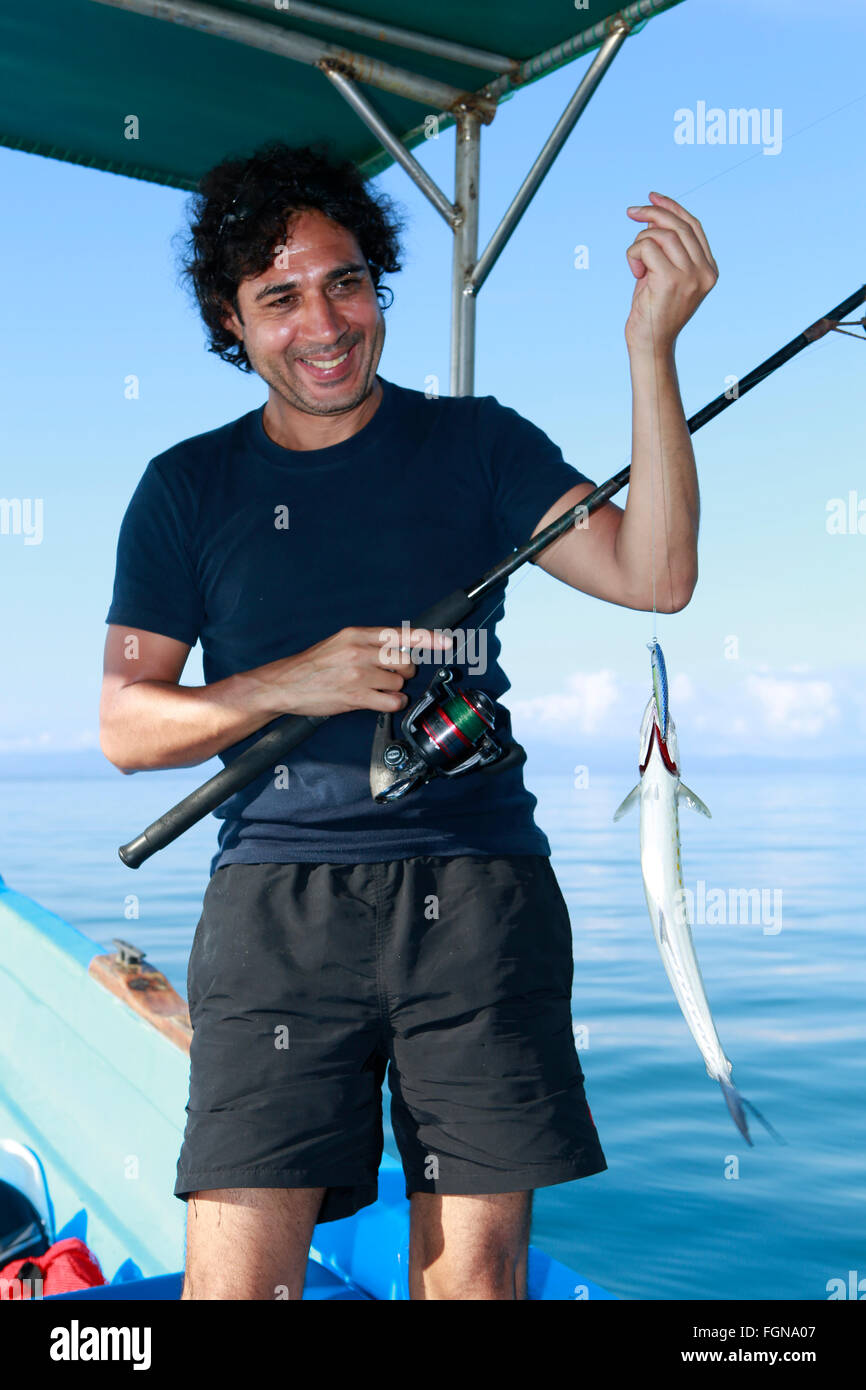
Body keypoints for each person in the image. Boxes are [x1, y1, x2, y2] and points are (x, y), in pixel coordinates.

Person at [99, 140, 717, 1300]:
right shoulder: (184, 487)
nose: (322, 322)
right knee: (235, 1285)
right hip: (276, 909)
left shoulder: (478, 444)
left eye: (345, 283)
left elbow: (655, 570)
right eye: (277, 297)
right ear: (231, 324)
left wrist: (650, 347)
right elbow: (128, 726)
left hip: (478, 894)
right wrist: (296, 681)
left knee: (478, 1281)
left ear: (377, 287)